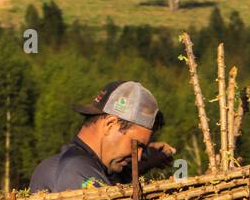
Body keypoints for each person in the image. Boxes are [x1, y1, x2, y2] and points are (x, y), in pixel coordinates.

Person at [29, 80, 176, 192]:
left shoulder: (80, 164)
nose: (138, 157)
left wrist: (149, 157)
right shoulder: (76, 171)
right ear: (110, 125)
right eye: (136, 145)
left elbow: (119, 176)